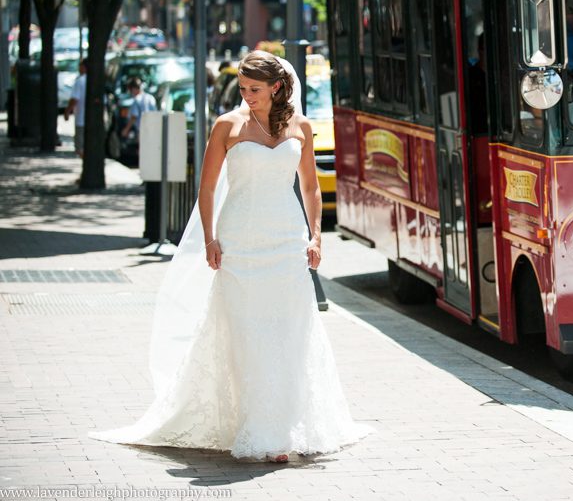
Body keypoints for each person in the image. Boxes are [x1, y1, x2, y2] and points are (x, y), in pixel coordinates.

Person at [89, 51, 371, 462]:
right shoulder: (228, 126)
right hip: (240, 241)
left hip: (286, 241)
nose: (246, 95)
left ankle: (284, 426)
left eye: (254, 89)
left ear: (276, 87)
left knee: (290, 333)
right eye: (242, 88)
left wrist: (316, 237)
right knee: (246, 335)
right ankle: (259, 426)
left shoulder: (301, 126)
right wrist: (210, 238)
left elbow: (310, 189)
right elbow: (206, 189)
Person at [64, 59, 87, 158]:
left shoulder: (80, 81)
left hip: (81, 119)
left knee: (80, 147)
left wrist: (67, 111)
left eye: (80, 66)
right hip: (92, 121)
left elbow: (74, 99)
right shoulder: (96, 80)